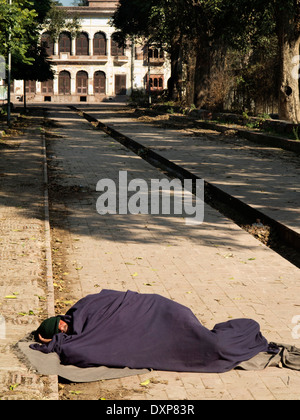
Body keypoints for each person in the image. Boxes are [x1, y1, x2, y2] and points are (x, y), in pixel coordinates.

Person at [31, 289, 279, 373]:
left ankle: (246, 332)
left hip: (163, 313)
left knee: (213, 345)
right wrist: (56, 341)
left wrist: (55, 343)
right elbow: (93, 345)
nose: (64, 329)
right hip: (157, 328)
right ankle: (236, 338)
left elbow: (119, 304)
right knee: (209, 348)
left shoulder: (85, 307)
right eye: (61, 332)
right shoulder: (81, 330)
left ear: (61, 319)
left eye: (61, 326)